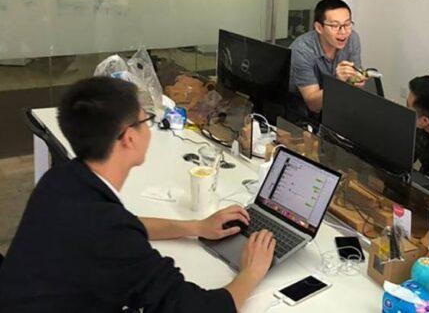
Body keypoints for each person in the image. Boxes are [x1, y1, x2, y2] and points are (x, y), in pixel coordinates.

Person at [0, 77, 275, 312]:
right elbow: (195, 308)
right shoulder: (112, 237)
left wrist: (196, 227)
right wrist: (251, 273)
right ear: (129, 138)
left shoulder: (61, 180)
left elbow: (125, 224)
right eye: (146, 120)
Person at [288, 0, 363, 118]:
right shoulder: (302, 49)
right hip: (299, 106)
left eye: (347, 24)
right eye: (334, 25)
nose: (343, 31)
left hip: (333, 101)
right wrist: (338, 82)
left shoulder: (352, 38)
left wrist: (357, 79)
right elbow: (313, 105)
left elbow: (353, 83)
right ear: (319, 28)